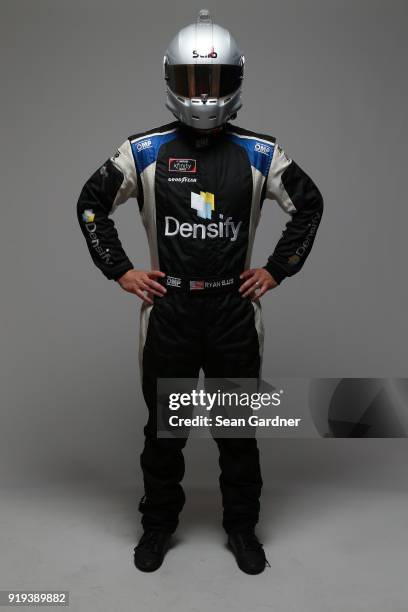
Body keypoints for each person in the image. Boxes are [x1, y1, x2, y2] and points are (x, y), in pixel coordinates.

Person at [77, 9, 323, 574]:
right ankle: (158, 526)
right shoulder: (143, 152)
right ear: (170, 79)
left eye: (213, 81)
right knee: (166, 434)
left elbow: (309, 204)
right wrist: (120, 270)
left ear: (236, 80)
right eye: (192, 80)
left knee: (238, 433)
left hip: (235, 313)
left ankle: (242, 528)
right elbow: (91, 204)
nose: (204, 95)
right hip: (170, 313)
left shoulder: (261, 154)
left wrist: (278, 269)